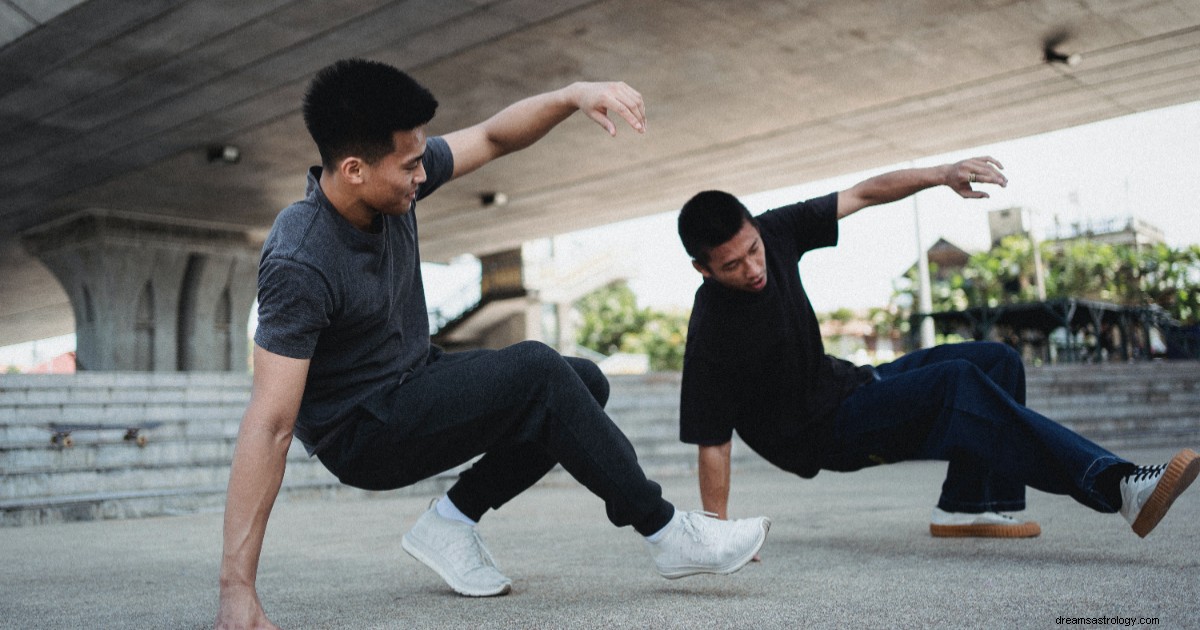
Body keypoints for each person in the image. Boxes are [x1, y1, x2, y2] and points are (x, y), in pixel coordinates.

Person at [215, 59, 769, 629]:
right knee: (537, 368)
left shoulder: (393, 179)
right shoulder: (301, 257)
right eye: (409, 167)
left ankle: (451, 522)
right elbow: (270, 423)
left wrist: (573, 94)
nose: (421, 177)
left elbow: (492, 136)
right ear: (354, 169)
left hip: (413, 380)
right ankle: (664, 530)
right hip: (363, 433)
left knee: (582, 381)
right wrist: (237, 591)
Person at [675, 156, 1198, 541]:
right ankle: (1118, 485)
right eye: (732, 266)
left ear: (754, 228)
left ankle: (973, 503)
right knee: (956, 383)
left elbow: (863, 192)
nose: (753, 268)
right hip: (821, 435)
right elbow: (712, 444)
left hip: (852, 386)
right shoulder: (711, 336)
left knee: (995, 360)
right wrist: (719, 538)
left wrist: (942, 173)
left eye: (753, 250)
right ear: (703, 269)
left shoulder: (774, 230)